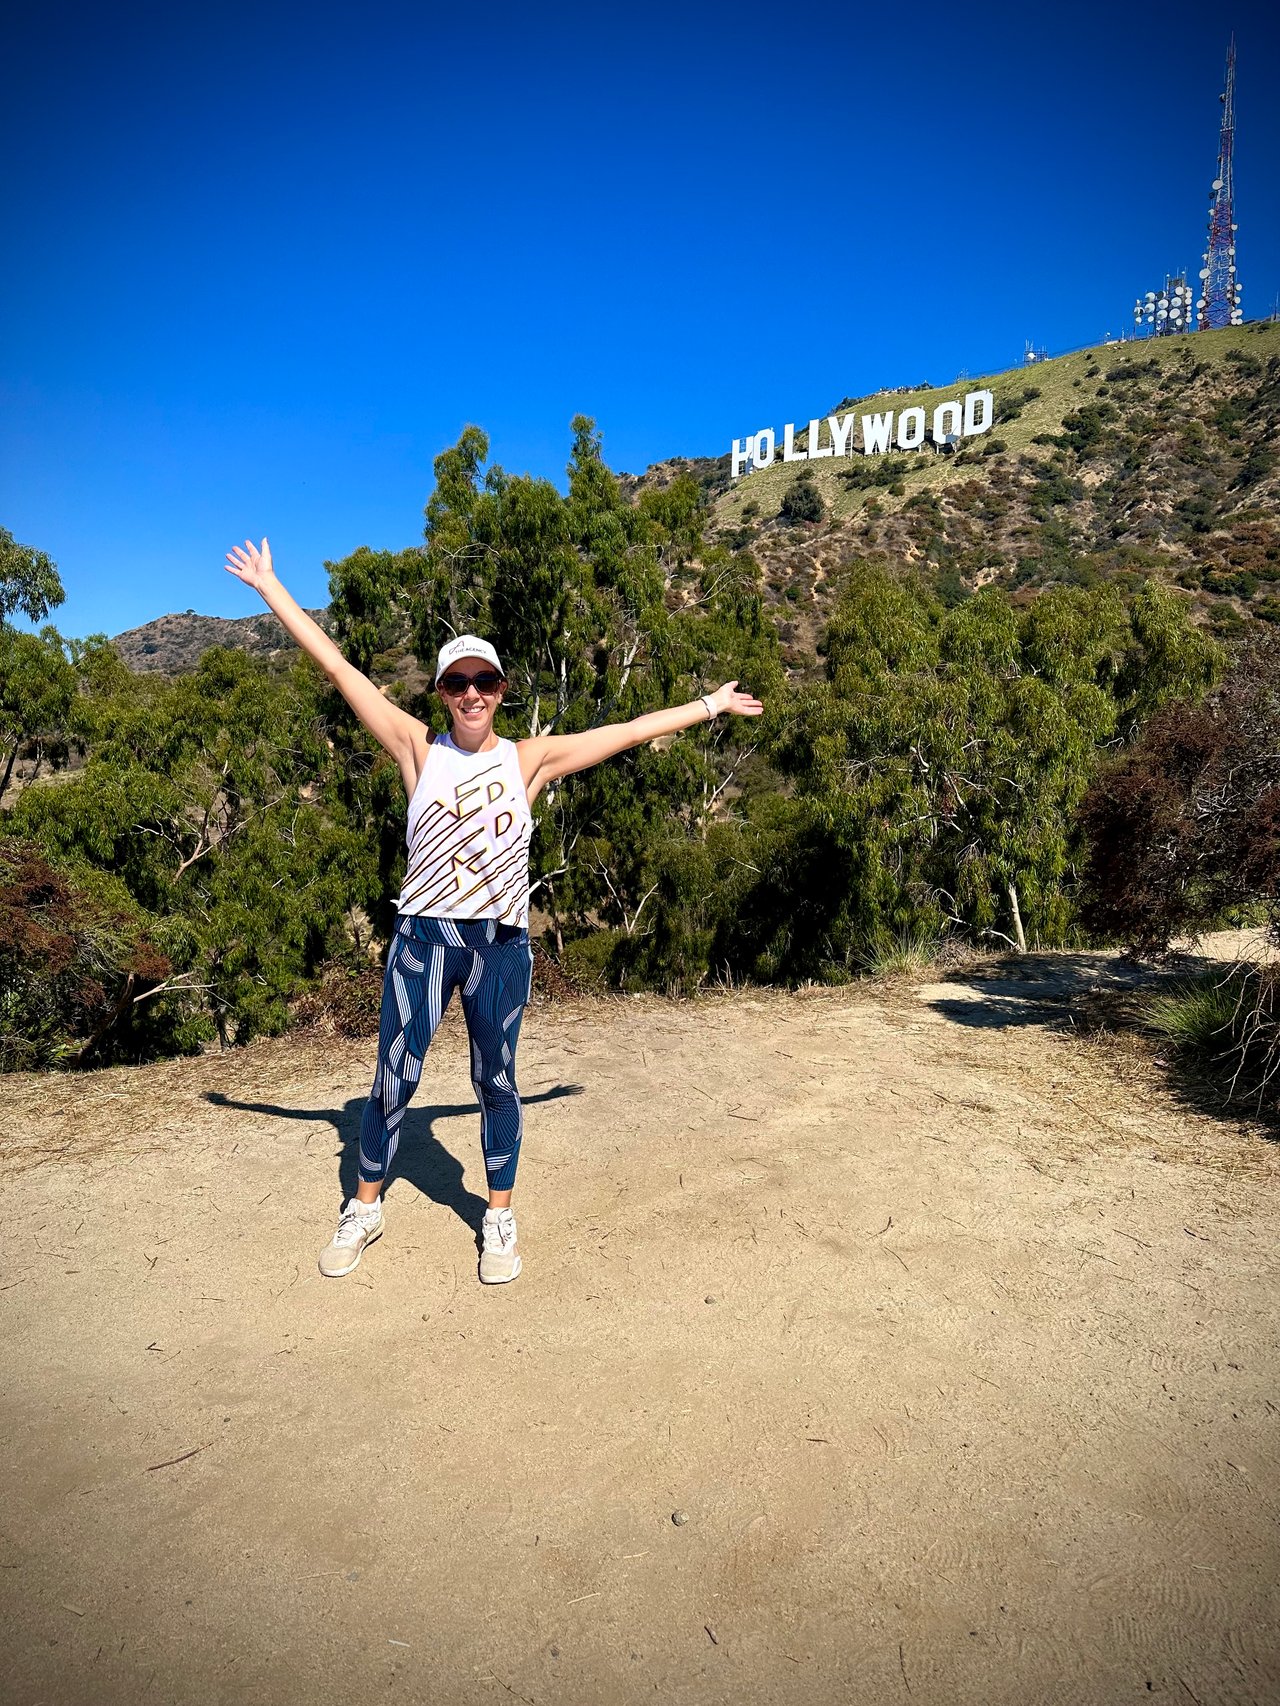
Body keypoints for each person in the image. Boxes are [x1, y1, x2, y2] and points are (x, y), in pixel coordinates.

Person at [224, 537, 764, 1284]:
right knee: (395, 1075)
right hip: (423, 939)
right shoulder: (416, 748)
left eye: (485, 682)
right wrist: (271, 589)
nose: (472, 694)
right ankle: (365, 1207)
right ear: (441, 691)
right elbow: (339, 668)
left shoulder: (527, 759)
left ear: (502, 689)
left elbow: (630, 731)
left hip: (500, 945)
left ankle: (498, 1218)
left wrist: (710, 705)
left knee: (497, 1080)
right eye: (458, 683)